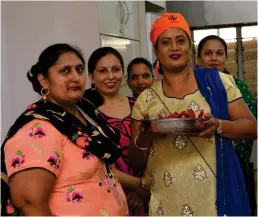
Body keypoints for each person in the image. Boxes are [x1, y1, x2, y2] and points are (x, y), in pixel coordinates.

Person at [128, 13, 257, 216]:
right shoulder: (146, 99)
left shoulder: (218, 83)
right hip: (166, 200)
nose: (174, 47)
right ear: (156, 50)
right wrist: (146, 136)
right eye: (165, 42)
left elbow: (252, 127)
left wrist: (219, 125)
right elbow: (135, 161)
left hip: (215, 199)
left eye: (181, 41)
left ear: (190, 46)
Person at [1, 44, 129, 216]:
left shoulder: (87, 113)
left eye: (79, 69)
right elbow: (30, 202)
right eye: (65, 71)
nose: (76, 77)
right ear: (43, 80)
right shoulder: (37, 127)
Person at [83, 47, 150, 216]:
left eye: (115, 69)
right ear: (91, 76)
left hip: (150, 194)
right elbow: (95, 165)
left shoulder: (139, 106)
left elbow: (157, 148)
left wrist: (144, 190)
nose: (111, 76)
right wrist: (138, 185)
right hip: (111, 196)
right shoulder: (86, 115)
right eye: (102, 71)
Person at [197, 34, 257, 215]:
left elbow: (249, 128)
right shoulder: (191, 86)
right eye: (208, 53)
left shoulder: (238, 86)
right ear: (198, 58)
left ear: (226, 58)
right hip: (199, 161)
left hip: (232, 159)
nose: (214, 58)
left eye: (219, 53)